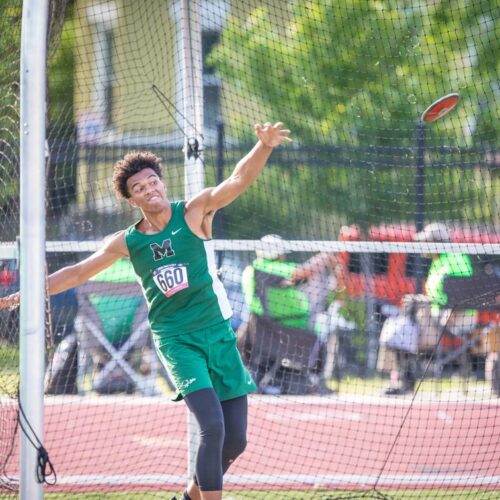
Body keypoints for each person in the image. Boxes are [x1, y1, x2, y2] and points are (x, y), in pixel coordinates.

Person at [0, 121, 292, 500]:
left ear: (161, 182)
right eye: (139, 187)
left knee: (235, 440)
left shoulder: (194, 212)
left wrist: (264, 146)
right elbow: (78, 271)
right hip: (177, 341)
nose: (148, 188)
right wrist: (30, 291)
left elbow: (237, 181)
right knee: (212, 428)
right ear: (131, 199)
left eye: (152, 181)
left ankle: (187, 497)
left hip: (218, 334)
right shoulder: (128, 241)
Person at [380, 222, 475, 395]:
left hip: (455, 319)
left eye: (426, 241)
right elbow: (437, 296)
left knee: (402, 329)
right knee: (397, 325)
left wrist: (449, 313)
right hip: (436, 317)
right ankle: (400, 378)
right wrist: (420, 300)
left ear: (437, 241)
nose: (423, 245)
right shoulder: (438, 261)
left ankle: (404, 381)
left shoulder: (455, 259)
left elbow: (464, 294)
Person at [239, 234, 340, 393]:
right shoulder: (266, 269)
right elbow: (302, 272)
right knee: (323, 330)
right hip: (291, 333)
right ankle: (315, 379)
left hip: (261, 332)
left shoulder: (249, 271)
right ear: (279, 254)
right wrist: (325, 256)